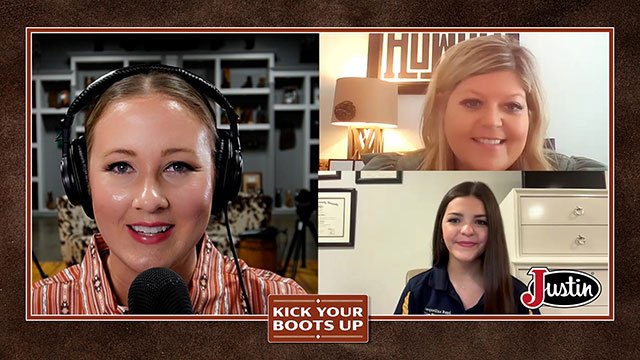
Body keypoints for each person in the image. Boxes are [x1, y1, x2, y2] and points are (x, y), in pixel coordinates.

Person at [32, 66, 306, 315]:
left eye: (178, 166)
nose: (150, 200)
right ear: (81, 180)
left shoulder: (282, 304)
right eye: (120, 167)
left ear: (221, 178)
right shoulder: (34, 310)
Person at [363, 35, 607, 171]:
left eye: (512, 106)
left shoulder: (580, 178)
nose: (492, 121)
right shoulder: (391, 174)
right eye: (472, 103)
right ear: (441, 108)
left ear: (531, 116)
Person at [394, 181, 539, 314]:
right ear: (441, 228)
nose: (467, 230)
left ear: (493, 231)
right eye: (455, 220)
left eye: (481, 222)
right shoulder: (417, 290)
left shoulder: (520, 295)